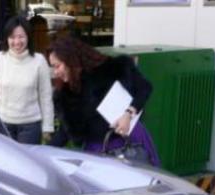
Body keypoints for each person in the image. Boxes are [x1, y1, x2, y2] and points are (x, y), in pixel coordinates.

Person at [47, 35, 160, 166]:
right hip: (97, 151)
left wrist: (128, 114)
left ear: (71, 60)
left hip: (131, 141)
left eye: (57, 66)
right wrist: (42, 151)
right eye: (53, 67)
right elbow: (65, 131)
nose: (55, 72)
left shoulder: (111, 68)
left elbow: (144, 87)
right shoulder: (64, 94)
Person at [0, 16, 53, 145]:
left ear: (28, 37)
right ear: (7, 39)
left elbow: (45, 96)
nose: (17, 42)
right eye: (12, 37)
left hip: (30, 126)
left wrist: (48, 126)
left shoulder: (39, 61)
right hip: (3, 124)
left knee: (27, 164)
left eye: (21, 37)